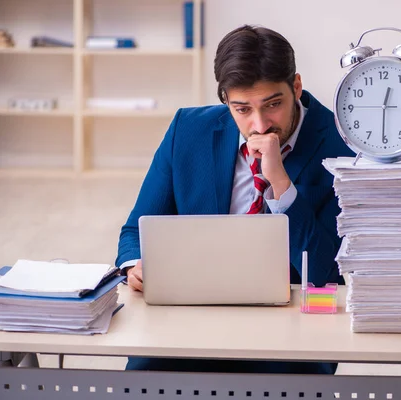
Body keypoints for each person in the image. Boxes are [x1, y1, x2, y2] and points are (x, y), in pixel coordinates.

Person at [115, 24, 354, 374]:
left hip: (292, 331)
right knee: (142, 377)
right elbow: (134, 232)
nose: (259, 125)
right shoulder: (188, 129)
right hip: (190, 319)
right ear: (226, 100)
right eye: (242, 109)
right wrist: (135, 266)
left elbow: (329, 276)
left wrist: (281, 185)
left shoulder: (343, 144)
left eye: (273, 104)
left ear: (296, 88)